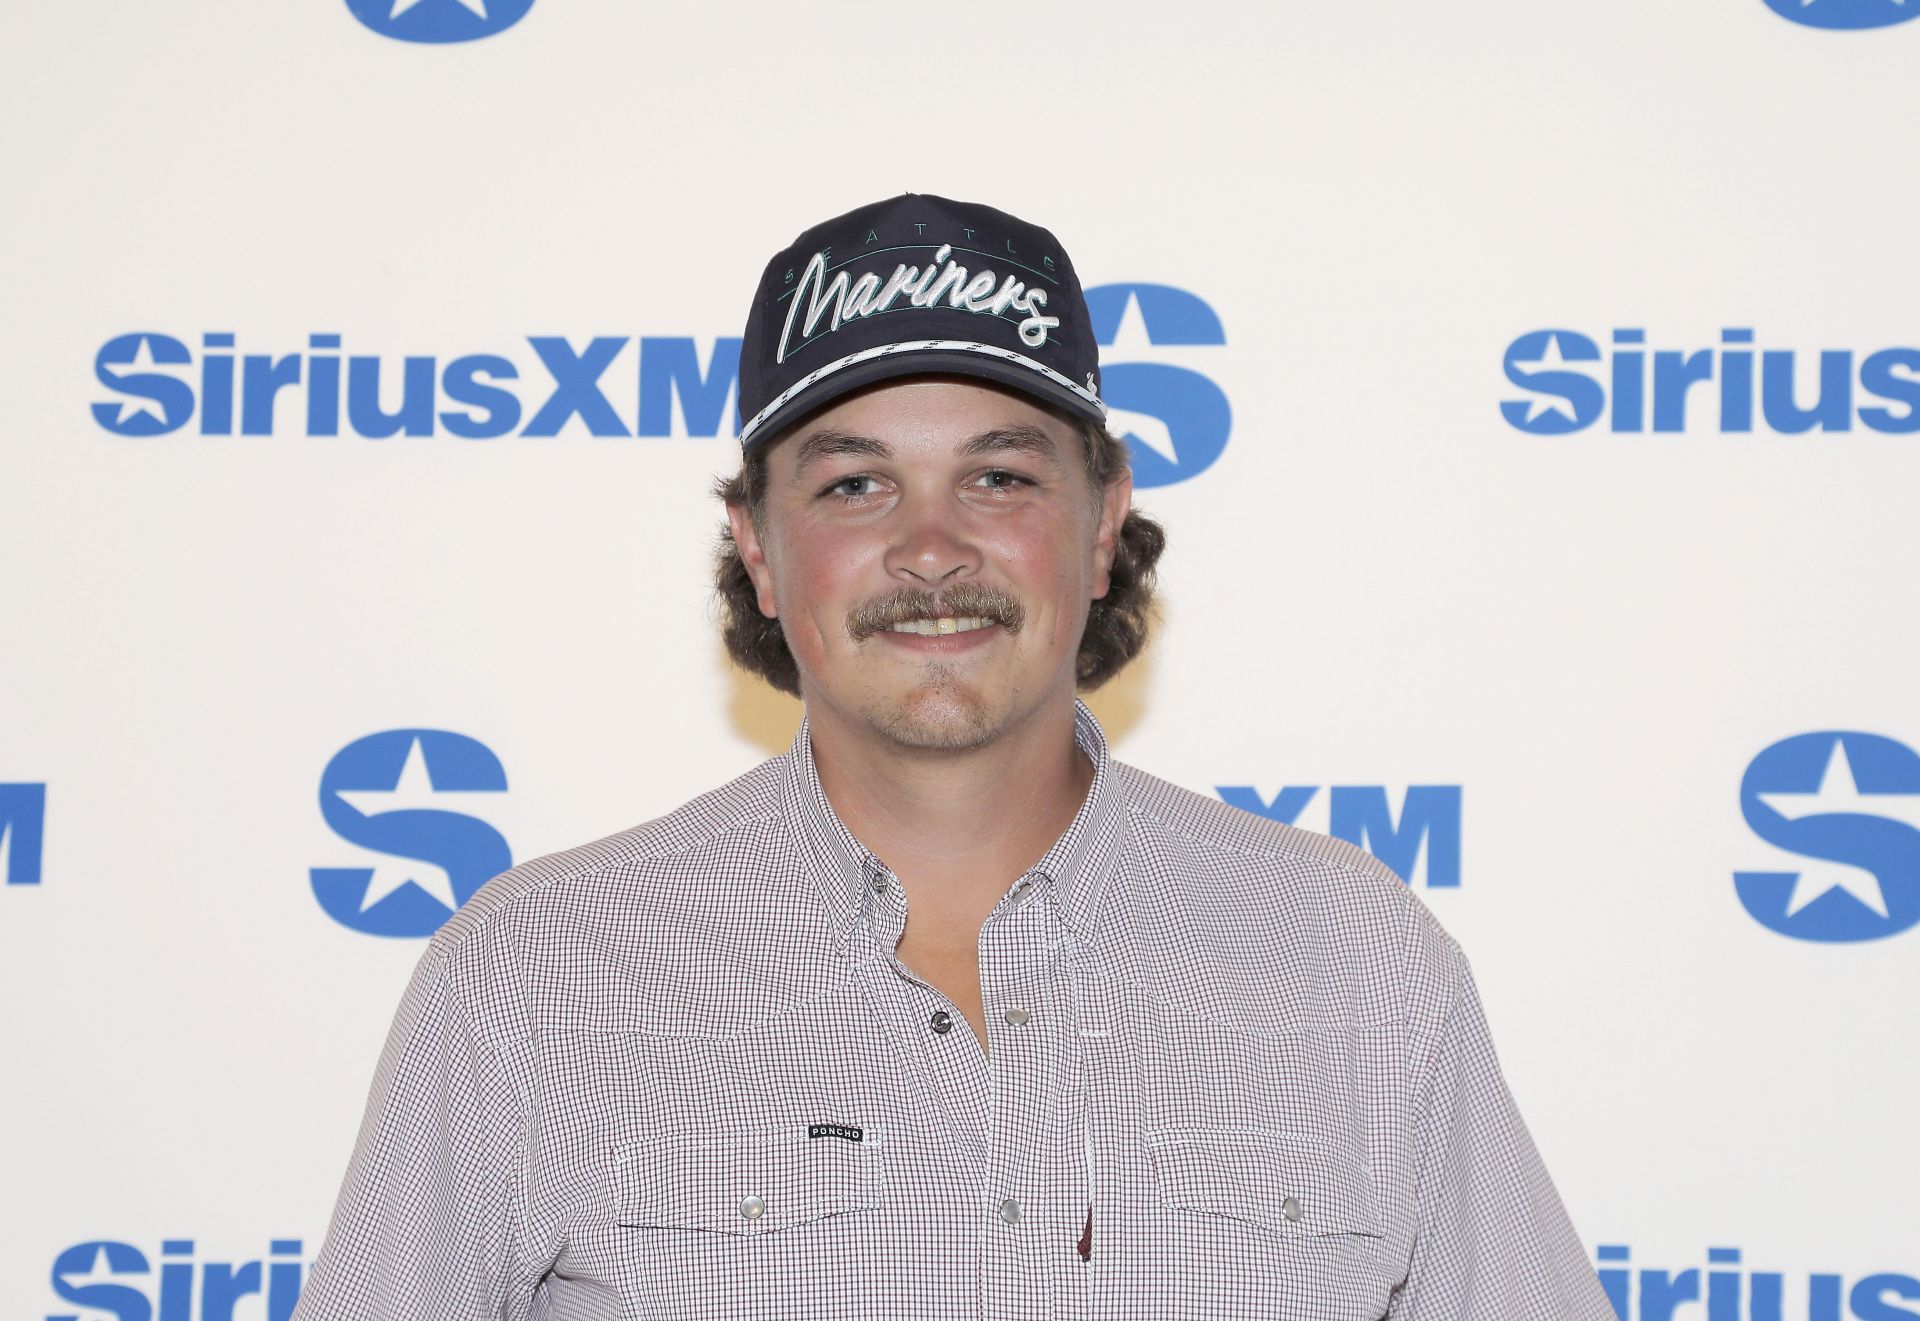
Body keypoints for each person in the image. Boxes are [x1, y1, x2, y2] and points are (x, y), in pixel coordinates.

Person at [291, 193, 1616, 1320]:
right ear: (758, 543)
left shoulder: (1359, 964)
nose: (932, 548)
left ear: (1103, 526)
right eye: (854, 483)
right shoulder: (533, 976)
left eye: (1000, 476)